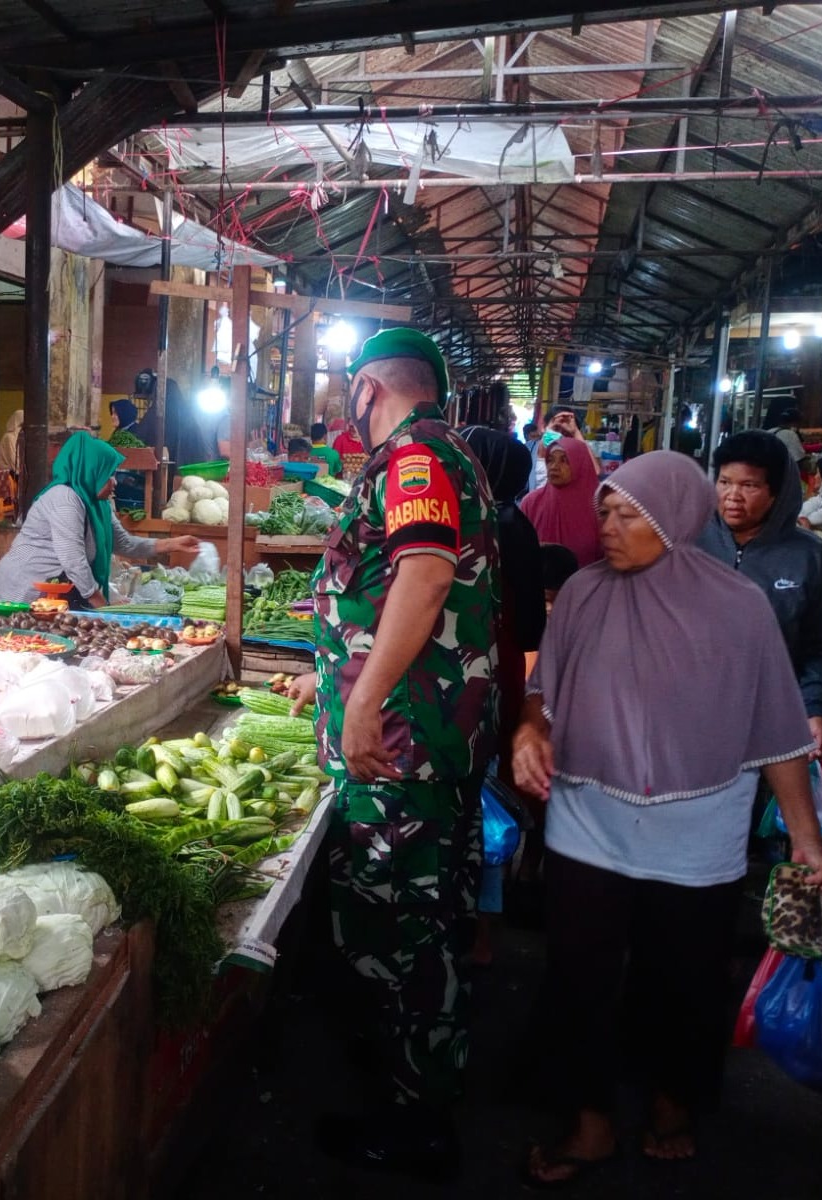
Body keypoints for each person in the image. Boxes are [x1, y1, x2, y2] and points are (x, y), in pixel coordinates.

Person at [512, 452, 822, 1187]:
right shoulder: (586, 597)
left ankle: (671, 1101)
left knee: (683, 976)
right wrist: (531, 729)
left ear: (675, 518)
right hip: (589, 817)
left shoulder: (738, 606)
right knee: (580, 973)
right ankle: (591, 1122)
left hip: (699, 825)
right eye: (605, 513)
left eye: (630, 515)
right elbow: (544, 690)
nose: (610, 529)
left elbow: (778, 730)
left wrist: (809, 841)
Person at [288, 328, 498, 1179]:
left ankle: (416, 1127)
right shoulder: (442, 454)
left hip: (401, 751)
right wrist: (335, 681)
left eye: (349, 390)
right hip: (417, 737)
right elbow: (388, 595)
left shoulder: (415, 458)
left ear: (369, 388)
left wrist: (365, 699)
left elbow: (425, 575)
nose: (347, 405)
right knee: (418, 925)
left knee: (400, 932)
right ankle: (416, 1098)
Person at [698, 431, 822, 760]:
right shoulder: (690, 543)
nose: (732, 496)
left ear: (776, 493)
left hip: (771, 724)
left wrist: (815, 707)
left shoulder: (810, 557)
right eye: (725, 482)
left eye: (749, 486)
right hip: (689, 716)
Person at [460, 426, 547, 968]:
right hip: (502, 673)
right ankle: (485, 927)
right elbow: (536, 624)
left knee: (478, 803)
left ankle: (479, 930)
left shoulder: (489, 525)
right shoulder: (519, 523)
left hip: (476, 680)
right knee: (487, 800)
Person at [0, 432, 198, 606]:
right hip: (20, 595)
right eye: (108, 475)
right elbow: (73, 560)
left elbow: (124, 543)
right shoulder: (64, 499)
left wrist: (173, 544)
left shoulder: (99, 505)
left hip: (53, 595)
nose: (114, 482)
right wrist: (102, 607)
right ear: (90, 472)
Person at [519, 436, 603, 567]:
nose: (554, 467)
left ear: (581, 465)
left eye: (564, 460)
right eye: (550, 460)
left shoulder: (600, 507)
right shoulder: (531, 503)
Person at [0, 410, 23, 475]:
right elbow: (13, 460)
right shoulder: (9, 437)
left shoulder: (20, 436)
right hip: (9, 474)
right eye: (21, 425)